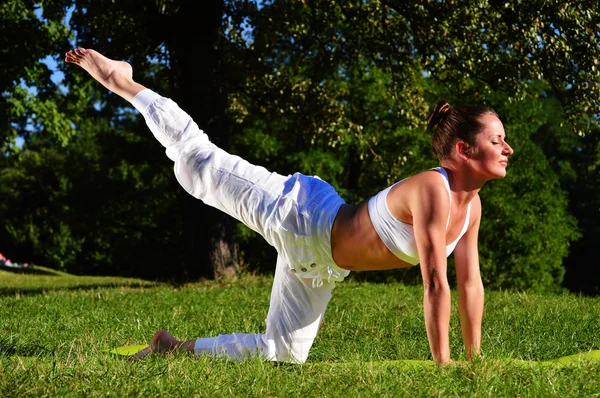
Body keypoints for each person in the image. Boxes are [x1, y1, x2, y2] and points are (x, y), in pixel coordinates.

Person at [65, 48, 513, 365]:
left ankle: (171, 347)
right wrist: (443, 364)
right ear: (462, 150)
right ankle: (122, 81)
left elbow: (470, 283)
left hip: (319, 267)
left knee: (282, 355)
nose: (507, 148)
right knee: (196, 163)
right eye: (496, 140)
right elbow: (436, 282)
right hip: (299, 213)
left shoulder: (470, 209)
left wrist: (472, 362)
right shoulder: (432, 190)